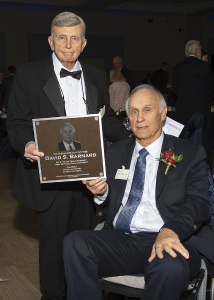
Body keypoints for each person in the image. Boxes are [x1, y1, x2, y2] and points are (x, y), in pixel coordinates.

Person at [6, 11, 130, 300]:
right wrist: (25, 143)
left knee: (83, 240)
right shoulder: (27, 74)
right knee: (54, 242)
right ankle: (54, 295)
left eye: (75, 38)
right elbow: (16, 122)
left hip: (88, 175)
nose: (68, 44)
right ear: (51, 41)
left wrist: (138, 133)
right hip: (51, 176)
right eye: (62, 38)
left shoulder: (98, 76)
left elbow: (107, 120)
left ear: (84, 43)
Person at [63, 84, 214, 300]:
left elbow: (200, 203)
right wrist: (101, 192)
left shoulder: (189, 153)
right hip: (123, 239)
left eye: (147, 110)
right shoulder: (115, 152)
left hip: (171, 239)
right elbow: (108, 202)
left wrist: (171, 229)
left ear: (163, 114)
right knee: (74, 243)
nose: (139, 118)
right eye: (133, 111)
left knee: (169, 268)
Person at [172, 40, 214, 170]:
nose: (201, 52)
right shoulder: (204, 66)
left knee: (184, 145)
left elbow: (175, 90)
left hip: (182, 112)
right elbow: (212, 89)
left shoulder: (177, 68)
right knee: (203, 145)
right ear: (196, 51)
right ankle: (203, 172)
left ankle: (183, 171)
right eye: (200, 49)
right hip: (201, 113)